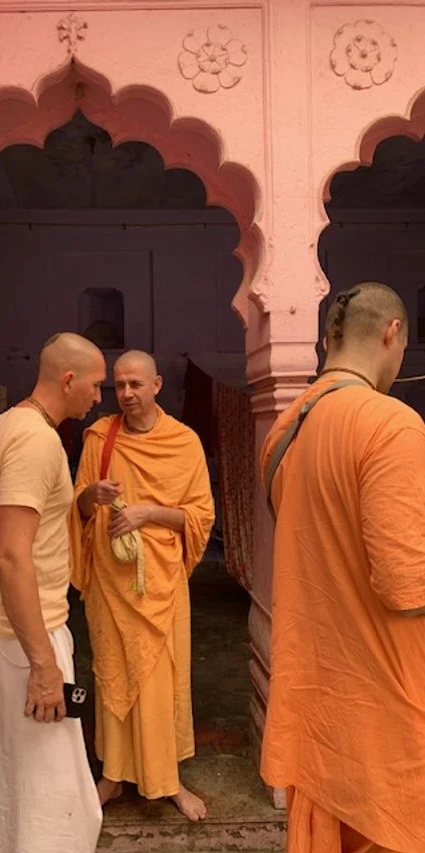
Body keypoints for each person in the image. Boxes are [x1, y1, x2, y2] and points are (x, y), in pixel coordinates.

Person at [260, 282, 425, 853]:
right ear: (391, 332)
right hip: (383, 700)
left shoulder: (285, 430)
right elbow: (406, 587)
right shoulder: (392, 425)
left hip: (317, 693)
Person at [0, 332, 106, 853]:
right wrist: (43, 666)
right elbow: (10, 556)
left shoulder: (4, 426)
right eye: (96, 385)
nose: (98, 398)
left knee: (1, 784)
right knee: (58, 804)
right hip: (22, 644)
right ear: (69, 379)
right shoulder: (36, 440)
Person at [70, 350, 214, 821]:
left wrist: (147, 512)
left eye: (136, 385)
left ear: (156, 386)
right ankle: (112, 774)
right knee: (114, 677)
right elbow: (80, 506)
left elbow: (200, 515)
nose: (127, 394)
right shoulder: (99, 437)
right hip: (112, 586)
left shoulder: (184, 442)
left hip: (163, 584)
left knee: (161, 681)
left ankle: (167, 780)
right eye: (119, 386)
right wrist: (93, 496)